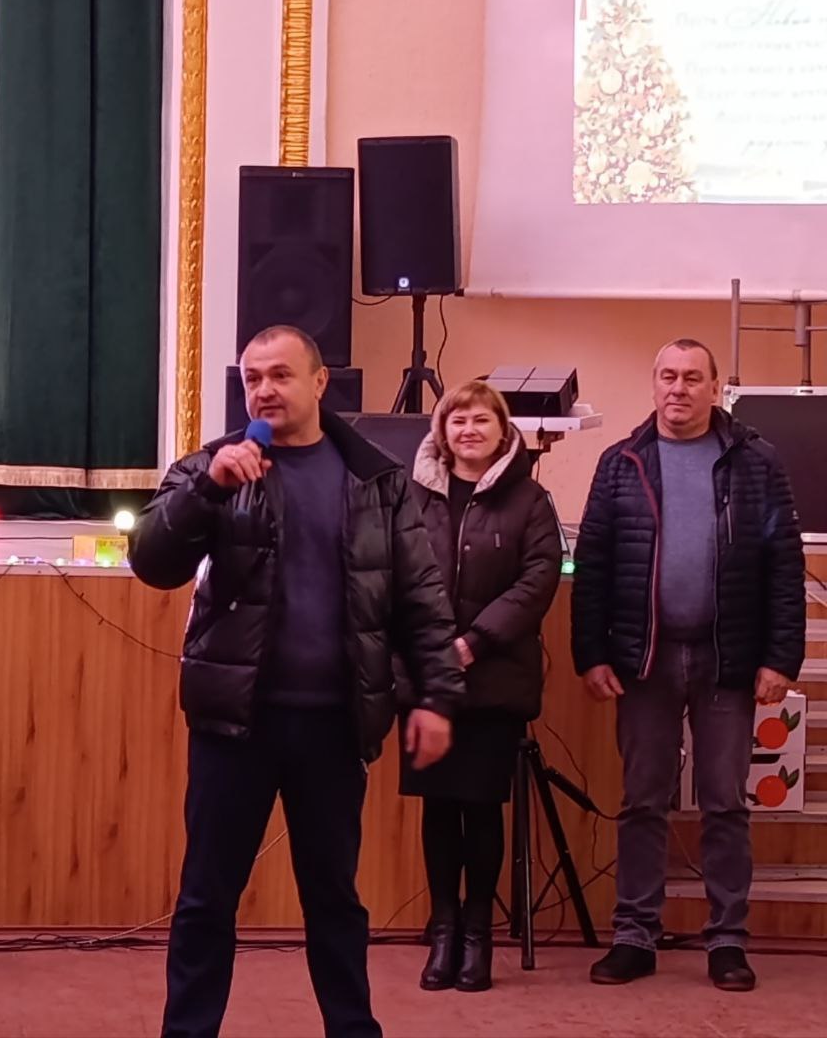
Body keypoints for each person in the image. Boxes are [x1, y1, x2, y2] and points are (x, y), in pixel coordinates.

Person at [130, 325, 463, 1038]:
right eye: (252, 378)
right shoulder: (212, 467)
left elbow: (420, 597)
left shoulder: (376, 479)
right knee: (207, 898)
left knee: (334, 899)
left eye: (280, 375)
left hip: (335, 725)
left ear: (319, 383)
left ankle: (352, 1028)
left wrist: (436, 696)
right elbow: (153, 562)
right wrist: (209, 492)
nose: (264, 390)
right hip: (235, 724)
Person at [572, 339, 804, 992]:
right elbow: (592, 563)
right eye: (668, 376)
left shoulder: (756, 461)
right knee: (642, 801)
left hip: (727, 658)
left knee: (725, 803)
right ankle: (634, 936)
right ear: (654, 385)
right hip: (643, 660)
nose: (679, 388)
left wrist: (781, 657)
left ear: (714, 387)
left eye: (692, 378)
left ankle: (727, 941)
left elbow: (784, 562)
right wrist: (591, 653)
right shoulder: (621, 462)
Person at [404, 380, 561, 993]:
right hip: (427, 680)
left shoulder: (530, 498)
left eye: (480, 421)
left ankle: (478, 934)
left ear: (502, 431)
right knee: (439, 807)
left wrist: (473, 642)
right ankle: (443, 930)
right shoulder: (412, 495)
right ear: (442, 432)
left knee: (481, 806)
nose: (469, 430)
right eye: (457, 420)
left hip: (495, 678)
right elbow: (394, 575)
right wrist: (430, 650)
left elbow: (538, 578)